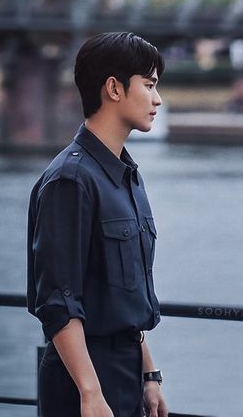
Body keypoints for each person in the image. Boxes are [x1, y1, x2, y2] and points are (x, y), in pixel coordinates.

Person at [27, 32, 169, 417]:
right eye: (149, 85)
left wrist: (149, 374)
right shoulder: (71, 180)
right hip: (83, 382)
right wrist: (90, 393)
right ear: (113, 88)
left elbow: (124, 296)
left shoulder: (125, 175)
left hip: (126, 376)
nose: (157, 99)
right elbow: (58, 301)